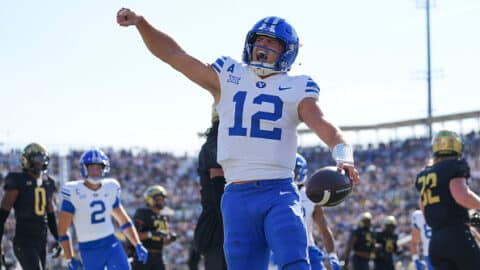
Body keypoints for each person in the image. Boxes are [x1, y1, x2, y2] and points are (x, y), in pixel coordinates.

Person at [117, 10, 360, 270]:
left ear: (286, 51)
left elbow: (326, 127)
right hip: (236, 195)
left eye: (272, 42)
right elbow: (175, 56)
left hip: (278, 191)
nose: (263, 46)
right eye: (260, 40)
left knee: (295, 263)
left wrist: (344, 156)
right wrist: (141, 24)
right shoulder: (229, 75)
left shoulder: (297, 86)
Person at [58, 148, 148, 270]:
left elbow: (123, 221)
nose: (95, 171)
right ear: (84, 169)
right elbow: (63, 230)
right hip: (89, 249)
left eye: (98, 168)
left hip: (110, 243)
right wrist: (70, 258)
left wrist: (137, 244)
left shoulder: (110, 187)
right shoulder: (73, 191)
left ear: (104, 169)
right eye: (91, 168)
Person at [414, 130, 480, 270]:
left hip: (436, 242)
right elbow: (461, 196)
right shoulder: (454, 166)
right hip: (457, 238)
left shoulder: (424, 174)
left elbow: (423, 206)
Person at [0, 143, 61, 270]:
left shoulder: (48, 183)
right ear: (27, 160)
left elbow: (50, 216)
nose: (40, 163)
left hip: (41, 242)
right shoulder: (17, 180)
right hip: (24, 241)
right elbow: (2, 217)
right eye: (37, 160)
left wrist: (59, 239)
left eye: (42, 160)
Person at [292, 153, 341, 270]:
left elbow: (324, 229)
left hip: (308, 250)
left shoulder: (311, 196)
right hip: (282, 250)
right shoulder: (275, 194)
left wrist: (333, 255)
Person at [193, 107, 228, 270]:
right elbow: (219, 186)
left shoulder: (218, 141)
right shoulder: (217, 142)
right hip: (219, 226)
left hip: (222, 222)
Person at [132, 185, 177, 270]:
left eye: (162, 199)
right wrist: (151, 234)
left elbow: (162, 242)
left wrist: (170, 239)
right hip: (143, 255)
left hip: (158, 257)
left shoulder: (164, 216)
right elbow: (133, 236)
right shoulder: (142, 213)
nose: (162, 201)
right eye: (158, 199)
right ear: (150, 200)